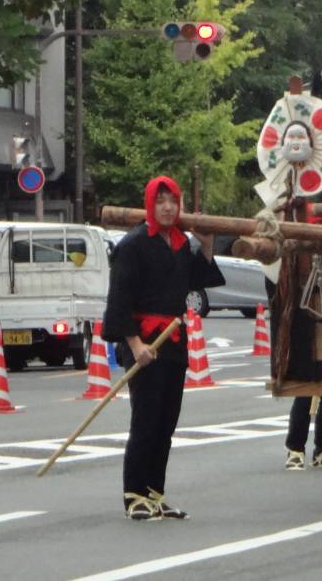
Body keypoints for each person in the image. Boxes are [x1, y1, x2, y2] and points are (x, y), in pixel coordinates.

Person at [102, 175, 224, 522]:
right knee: (146, 418)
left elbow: (197, 279)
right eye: (161, 201)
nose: (169, 207)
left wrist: (207, 245)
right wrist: (135, 343)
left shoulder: (180, 243)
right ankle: (134, 493)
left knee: (167, 420)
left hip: (172, 338)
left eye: (173, 201)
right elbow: (119, 300)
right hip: (143, 339)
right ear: (149, 204)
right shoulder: (133, 244)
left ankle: (155, 492)